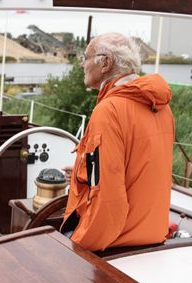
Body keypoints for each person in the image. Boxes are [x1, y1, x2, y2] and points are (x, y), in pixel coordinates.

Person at [61, 32, 174, 251]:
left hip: (118, 241)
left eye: (86, 56)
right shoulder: (161, 107)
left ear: (105, 63)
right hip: (152, 234)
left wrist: (77, 246)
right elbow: (137, 166)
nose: (82, 64)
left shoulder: (109, 110)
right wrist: (80, 170)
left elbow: (108, 199)